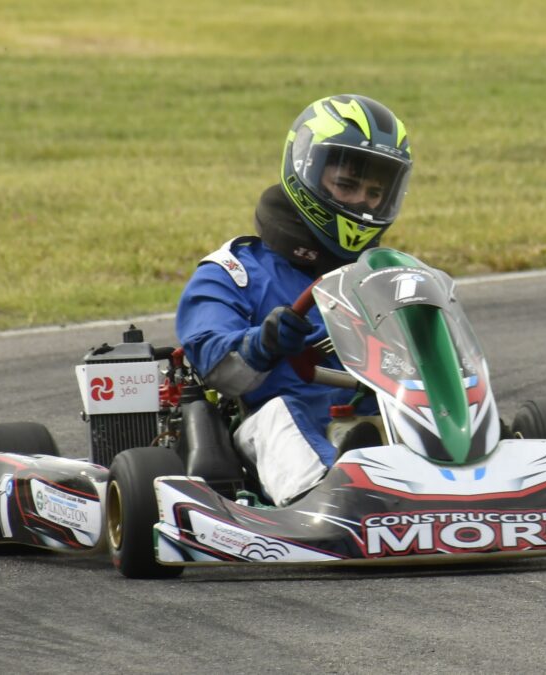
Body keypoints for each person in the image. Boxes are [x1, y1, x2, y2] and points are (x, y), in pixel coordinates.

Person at [176, 94, 413, 506]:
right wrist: (261, 344)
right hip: (270, 428)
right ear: (305, 170)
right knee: (281, 414)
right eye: (346, 184)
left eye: (375, 193)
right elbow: (212, 363)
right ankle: (334, 496)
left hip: (378, 417)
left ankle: (477, 480)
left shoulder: (386, 275)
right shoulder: (234, 270)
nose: (361, 202)